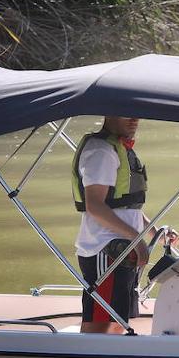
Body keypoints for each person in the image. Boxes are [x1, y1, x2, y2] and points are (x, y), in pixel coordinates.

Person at [73, 115, 150, 334]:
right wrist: (137, 239)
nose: (135, 119)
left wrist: (153, 232)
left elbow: (125, 206)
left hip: (122, 250)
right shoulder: (102, 152)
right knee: (101, 324)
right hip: (105, 251)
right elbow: (95, 206)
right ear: (109, 114)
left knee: (116, 320)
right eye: (126, 113)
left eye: (137, 113)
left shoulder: (118, 148)